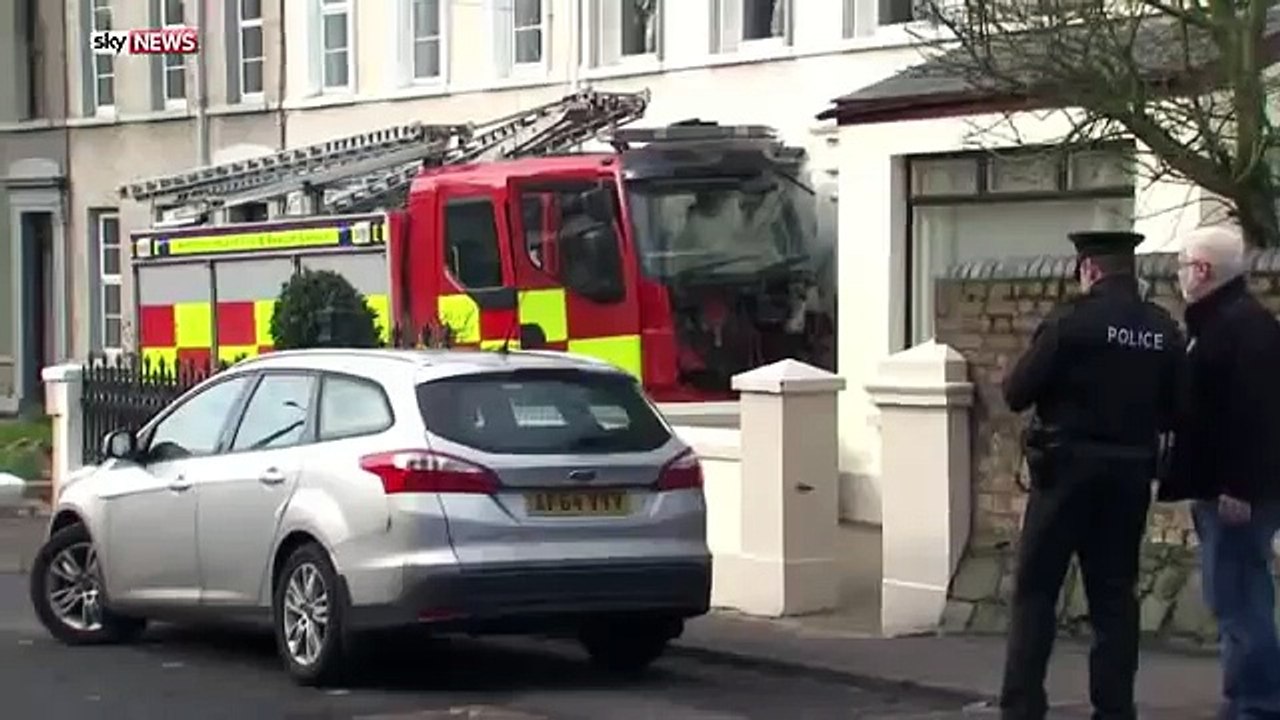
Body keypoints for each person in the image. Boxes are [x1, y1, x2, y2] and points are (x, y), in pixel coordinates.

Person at [998, 230, 1184, 720]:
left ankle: (1022, 707)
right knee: (1114, 598)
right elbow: (1176, 410)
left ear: (1090, 270)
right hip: (1128, 477)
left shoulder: (1071, 322)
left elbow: (1017, 391)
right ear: (1130, 271)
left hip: (1065, 473)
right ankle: (1115, 709)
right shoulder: (1162, 329)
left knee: (1037, 590)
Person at [1158, 224, 1280, 719]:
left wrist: (1238, 487)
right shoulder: (1226, 323)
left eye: (1184, 266)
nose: (1179, 276)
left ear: (1203, 271)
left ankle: (1255, 705)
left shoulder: (1240, 328)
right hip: (1228, 488)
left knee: (1239, 602)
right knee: (1234, 599)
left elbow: (1256, 415)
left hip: (1235, 495)